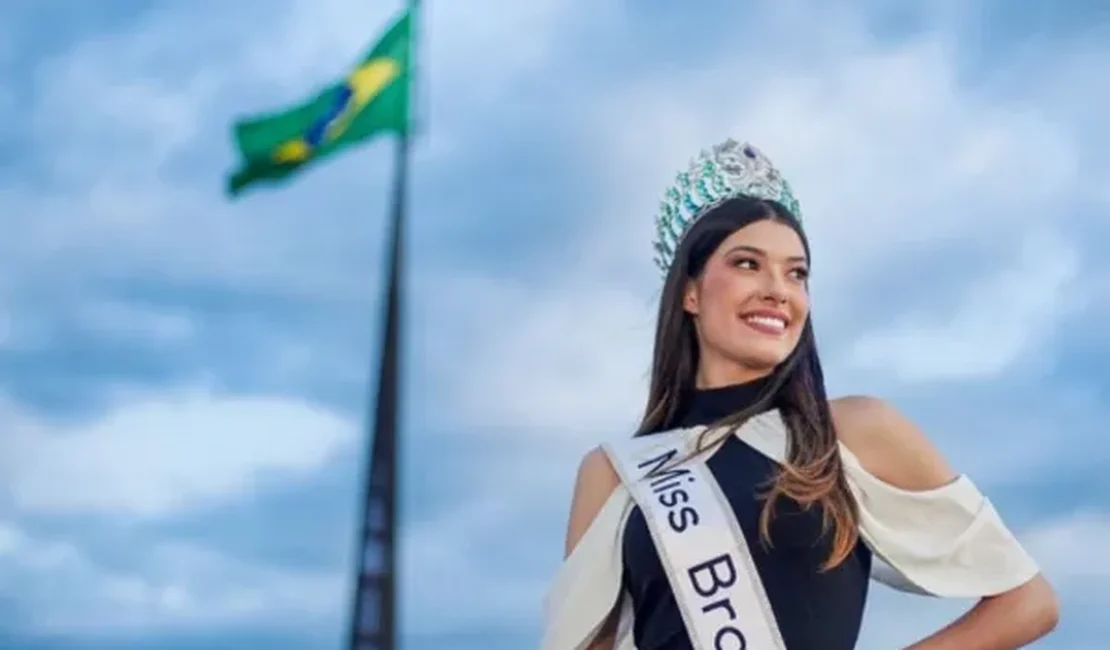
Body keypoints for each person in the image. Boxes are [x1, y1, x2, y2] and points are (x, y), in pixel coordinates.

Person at [541, 139, 1059, 650]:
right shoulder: (616, 473)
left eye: (796, 273)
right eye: (747, 264)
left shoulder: (852, 432)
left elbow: (1027, 600)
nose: (778, 289)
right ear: (690, 291)